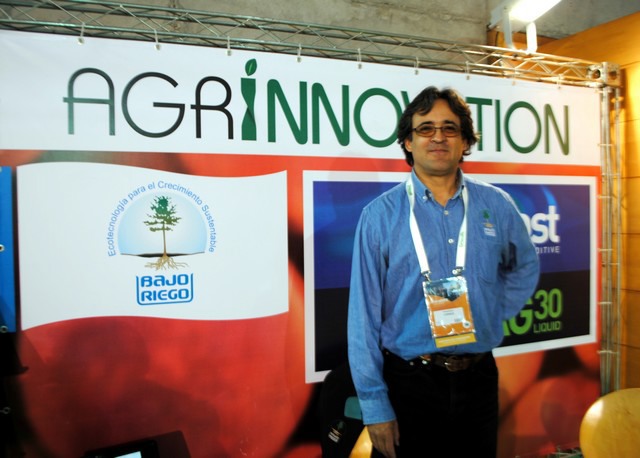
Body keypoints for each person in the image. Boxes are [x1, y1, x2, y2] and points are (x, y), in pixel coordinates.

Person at [347, 86, 540, 458]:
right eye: (425, 128)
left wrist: (492, 312)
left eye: (450, 128)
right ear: (408, 141)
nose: (438, 137)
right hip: (408, 384)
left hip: (479, 380)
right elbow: (362, 319)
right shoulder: (379, 217)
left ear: (465, 141)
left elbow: (525, 266)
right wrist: (375, 405)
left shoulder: (497, 205)